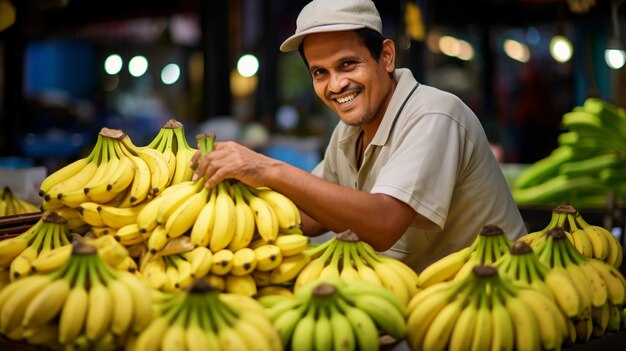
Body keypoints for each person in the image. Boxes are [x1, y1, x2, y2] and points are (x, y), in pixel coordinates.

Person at [191, 0, 527, 272]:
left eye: (348, 64)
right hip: (411, 298)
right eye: (320, 72)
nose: (336, 85)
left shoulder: (434, 114)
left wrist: (268, 169)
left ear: (386, 56)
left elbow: (384, 223)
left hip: (490, 300)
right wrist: (220, 210)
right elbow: (308, 217)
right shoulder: (348, 133)